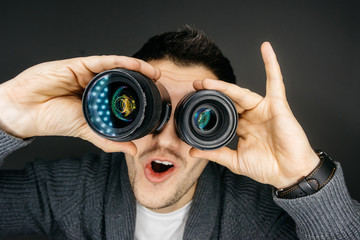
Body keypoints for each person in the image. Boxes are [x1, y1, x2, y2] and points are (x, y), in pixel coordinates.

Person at [0, 26, 359, 240]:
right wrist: (7, 112)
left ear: (222, 129)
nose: (167, 140)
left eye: (197, 118)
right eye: (148, 112)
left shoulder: (257, 214)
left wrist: (305, 179)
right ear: (119, 111)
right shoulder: (71, 190)